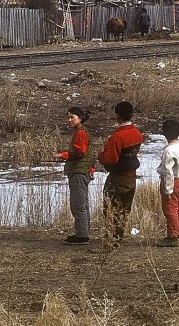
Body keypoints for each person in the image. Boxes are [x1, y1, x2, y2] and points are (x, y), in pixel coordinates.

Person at [96, 101, 143, 249]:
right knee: (124, 209)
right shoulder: (137, 133)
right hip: (131, 177)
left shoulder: (117, 136)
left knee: (111, 208)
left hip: (118, 178)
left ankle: (112, 241)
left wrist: (100, 156)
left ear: (117, 116)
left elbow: (110, 159)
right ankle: (118, 238)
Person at [54, 106, 95, 245]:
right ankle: (83, 233)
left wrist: (62, 155)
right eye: (68, 117)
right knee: (82, 204)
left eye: (72, 117)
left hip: (78, 173)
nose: (69, 120)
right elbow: (89, 154)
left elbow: (80, 152)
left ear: (80, 118)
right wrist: (91, 169)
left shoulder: (81, 133)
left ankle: (82, 236)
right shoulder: (82, 132)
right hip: (81, 171)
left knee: (78, 205)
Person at [156, 119, 179, 247]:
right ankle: (177, 232)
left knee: (170, 209)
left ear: (164, 133)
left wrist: (168, 189)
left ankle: (172, 236)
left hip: (173, 182)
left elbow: (168, 172)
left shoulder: (168, 150)